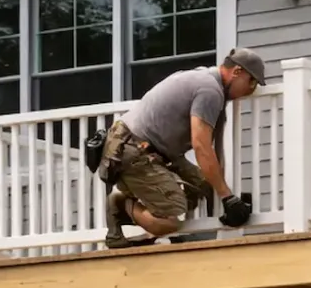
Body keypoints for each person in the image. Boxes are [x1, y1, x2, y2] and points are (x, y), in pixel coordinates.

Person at [101, 48, 266, 249]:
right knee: (169, 220)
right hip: (131, 148)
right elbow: (201, 145)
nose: (251, 89)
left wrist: (224, 193)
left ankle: (167, 224)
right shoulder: (209, 90)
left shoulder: (205, 80)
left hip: (151, 149)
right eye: (251, 81)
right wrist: (227, 198)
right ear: (237, 72)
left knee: (201, 184)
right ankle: (119, 205)